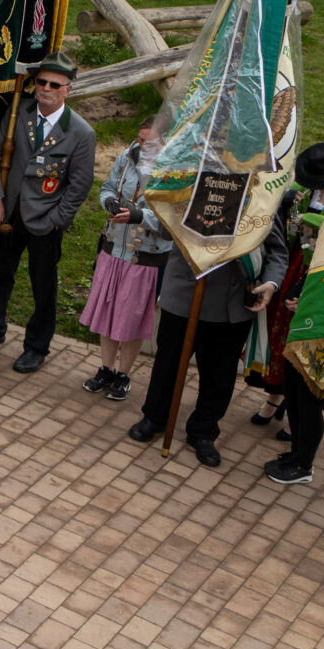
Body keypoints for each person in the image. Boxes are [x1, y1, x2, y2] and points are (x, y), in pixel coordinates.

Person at [126, 199, 290, 468]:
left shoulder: (261, 196)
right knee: (168, 363)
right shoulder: (191, 184)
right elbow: (166, 230)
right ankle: (155, 417)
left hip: (232, 302)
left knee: (219, 374)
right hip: (185, 293)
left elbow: (276, 250)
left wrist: (271, 283)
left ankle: (203, 430)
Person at [0, 55, 96, 372]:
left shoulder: (81, 133)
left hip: (45, 221)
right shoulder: (18, 112)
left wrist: (57, 220)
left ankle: (37, 346)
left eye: (55, 84)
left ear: (68, 90)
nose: (46, 88)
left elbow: (79, 185)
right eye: (41, 82)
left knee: (43, 286)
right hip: (6, 211)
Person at [261, 143, 324, 486]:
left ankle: (304, 463)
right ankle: (296, 451)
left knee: (309, 393)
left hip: (323, 307)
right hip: (304, 286)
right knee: (295, 386)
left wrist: (310, 299)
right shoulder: (306, 197)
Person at [77, 117, 170, 400]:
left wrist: (139, 216)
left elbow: (174, 220)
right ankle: (106, 368)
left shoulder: (177, 171)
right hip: (114, 247)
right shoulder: (127, 156)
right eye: (140, 139)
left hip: (146, 258)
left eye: (149, 142)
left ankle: (123, 375)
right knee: (108, 311)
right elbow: (107, 187)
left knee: (132, 318)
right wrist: (109, 202)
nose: (142, 146)